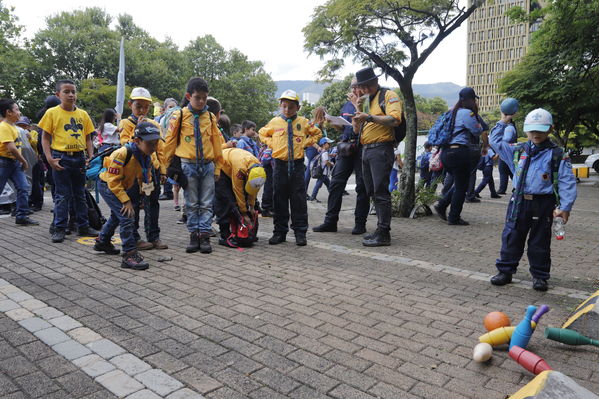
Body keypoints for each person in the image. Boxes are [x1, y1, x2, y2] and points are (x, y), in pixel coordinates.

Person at [488, 108, 577, 292]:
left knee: (540, 241)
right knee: (512, 236)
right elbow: (494, 141)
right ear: (526, 130)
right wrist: (503, 121)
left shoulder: (558, 154)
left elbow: (566, 182)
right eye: (532, 130)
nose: (536, 134)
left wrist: (565, 207)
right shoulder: (516, 151)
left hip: (543, 203)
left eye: (541, 130)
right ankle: (505, 271)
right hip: (519, 201)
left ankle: (540, 276)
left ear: (550, 129)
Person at [164, 77, 223, 254]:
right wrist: (166, 166)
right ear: (189, 96)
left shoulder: (211, 118)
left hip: (207, 165)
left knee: (205, 202)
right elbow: (170, 141)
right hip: (187, 165)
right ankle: (193, 234)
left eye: (205, 98)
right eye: (198, 97)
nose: (202, 101)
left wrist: (218, 167)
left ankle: (204, 235)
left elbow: (217, 143)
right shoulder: (179, 115)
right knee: (191, 202)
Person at [94, 122, 162, 271]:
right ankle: (129, 254)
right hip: (108, 186)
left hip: (124, 187)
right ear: (137, 141)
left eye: (156, 143)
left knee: (118, 215)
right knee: (127, 216)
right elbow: (113, 181)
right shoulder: (122, 153)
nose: (154, 147)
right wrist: (126, 201)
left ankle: (102, 241)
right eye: (150, 143)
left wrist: (143, 197)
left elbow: (145, 178)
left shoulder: (147, 157)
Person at [259, 90, 322, 246]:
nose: (287, 110)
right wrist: (272, 144)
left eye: (291, 107)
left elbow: (318, 133)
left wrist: (306, 143)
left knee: (298, 199)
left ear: (297, 107)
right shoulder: (274, 122)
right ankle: (279, 232)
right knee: (279, 199)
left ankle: (300, 232)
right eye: (284, 106)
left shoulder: (303, 122)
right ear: (280, 106)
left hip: (297, 165)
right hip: (279, 165)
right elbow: (261, 133)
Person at [39, 80, 99, 242]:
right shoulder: (52, 113)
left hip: (79, 158)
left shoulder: (83, 114)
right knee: (62, 195)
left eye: (73, 91)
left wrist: (89, 156)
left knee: (80, 194)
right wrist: (50, 159)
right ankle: (60, 228)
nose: (71, 95)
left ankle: (83, 226)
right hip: (61, 157)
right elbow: (45, 138)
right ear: (58, 95)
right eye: (66, 92)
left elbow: (88, 138)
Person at [351, 67, 403, 246]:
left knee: (381, 191)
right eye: (360, 87)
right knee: (371, 191)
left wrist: (369, 117)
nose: (362, 90)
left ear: (373, 82)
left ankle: (384, 233)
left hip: (381, 148)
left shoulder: (388, 95)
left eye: (364, 86)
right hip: (366, 149)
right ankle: (380, 229)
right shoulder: (366, 101)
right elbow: (357, 130)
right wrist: (357, 112)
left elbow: (395, 120)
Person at [313, 77, 369, 235]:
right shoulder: (346, 103)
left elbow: (366, 124)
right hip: (345, 147)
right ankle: (330, 222)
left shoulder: (368, 102)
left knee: (362, 186)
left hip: (362, 147)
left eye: (357, 87)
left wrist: (356, 104)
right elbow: (343, 127)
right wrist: (334, 122)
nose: (354, 91)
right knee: (336, 183)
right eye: (352, 87)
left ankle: (360, 223)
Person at [118, 87, 168, 251]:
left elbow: (160, 148)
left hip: (150, 170)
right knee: (134, 204)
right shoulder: (125, 123)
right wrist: (137, 128)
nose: (142, 110)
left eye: (146, 107)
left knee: (152, 203)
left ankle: (154, 236)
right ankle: (135, 237)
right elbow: (126, 144)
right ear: (130, 104)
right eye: (138, 106)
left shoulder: (154, 124)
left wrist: (162, 169)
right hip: (133, 171)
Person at [433, 87, 488, 226]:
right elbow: (477, 131)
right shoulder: (467, 113)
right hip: (459, 152)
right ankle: (454, 217)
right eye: (474, 99)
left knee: (459, 183)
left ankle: (442, 205)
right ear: (471, 100)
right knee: (461, 187)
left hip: (445, 153)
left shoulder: (451, 111)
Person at [214, 147, 266, 247]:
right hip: (221, 167)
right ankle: (224, 236)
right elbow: (238, 191)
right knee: (226, 201)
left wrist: (251, 206)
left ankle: (242, 232)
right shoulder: (240, 169)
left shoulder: (258, 170)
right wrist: (244, 213)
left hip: (233, 164)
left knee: (241, 203)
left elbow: (253, 190)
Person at [0, 99, 38, 226]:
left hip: (15, 163)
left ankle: (21, 215)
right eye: (16, 109)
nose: (19, 112)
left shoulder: (14, 127)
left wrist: (20, 161)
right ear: (8, 112)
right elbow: (11, 147)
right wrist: (24, 161)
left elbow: (18, 147)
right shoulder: (4, 127)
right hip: (3, 163)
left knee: (23, 187)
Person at [495, 98, 519, 195]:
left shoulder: (508, 128)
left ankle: (503, 189)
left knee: (505, 172)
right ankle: (515, 186)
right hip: (511, 153)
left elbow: (506, 140)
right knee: (511, 171)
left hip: (506, 153)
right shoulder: (511, 127)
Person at [304, 106, 326, 197]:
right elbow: (311, 139)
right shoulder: (315, 125)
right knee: (310, 170)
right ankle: (303, 192)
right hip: (312, 149)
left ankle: (305, 192)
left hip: (314, 149)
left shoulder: (319, 125)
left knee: (318, 169)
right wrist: (318, 148)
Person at [309, 137, 334, 202]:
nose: (330, 145)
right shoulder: (325, 152)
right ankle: (313, 197)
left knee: (329, 185)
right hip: (323, 172)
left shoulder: (322, 152)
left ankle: (333, 196)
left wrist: (331, 155)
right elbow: (326, 162)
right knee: (318, 185)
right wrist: (331, 164)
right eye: (328, 144)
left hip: (323, 173)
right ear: (324, 144)